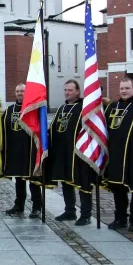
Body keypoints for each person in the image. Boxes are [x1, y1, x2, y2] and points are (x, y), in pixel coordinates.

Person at [104, 78, 133, 231]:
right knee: (118, 188)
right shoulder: (113, 107)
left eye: (127, 88)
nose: (124, 91)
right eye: (122, 88)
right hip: (116, 155)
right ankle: (120, 218)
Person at [47, 80, 94, 225]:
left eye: (70, 90)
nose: (67, 93)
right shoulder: (61, 108)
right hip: (62, 152)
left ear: (78, 91)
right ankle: (69, 211)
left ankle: (86, 214)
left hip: (79, 154)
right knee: (66, 182)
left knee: (83, 183)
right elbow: (54, 129)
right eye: (65, 90)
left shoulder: (84, 108)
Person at [2, 84, 42, 218]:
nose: (19, 93)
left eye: (22, 91)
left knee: (33, 181)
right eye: (17, 91)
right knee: (19, 181)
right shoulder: (9, 110)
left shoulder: (32, 110)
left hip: (30, 151)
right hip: (15, 151)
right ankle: (19, 205)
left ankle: (37, 207)